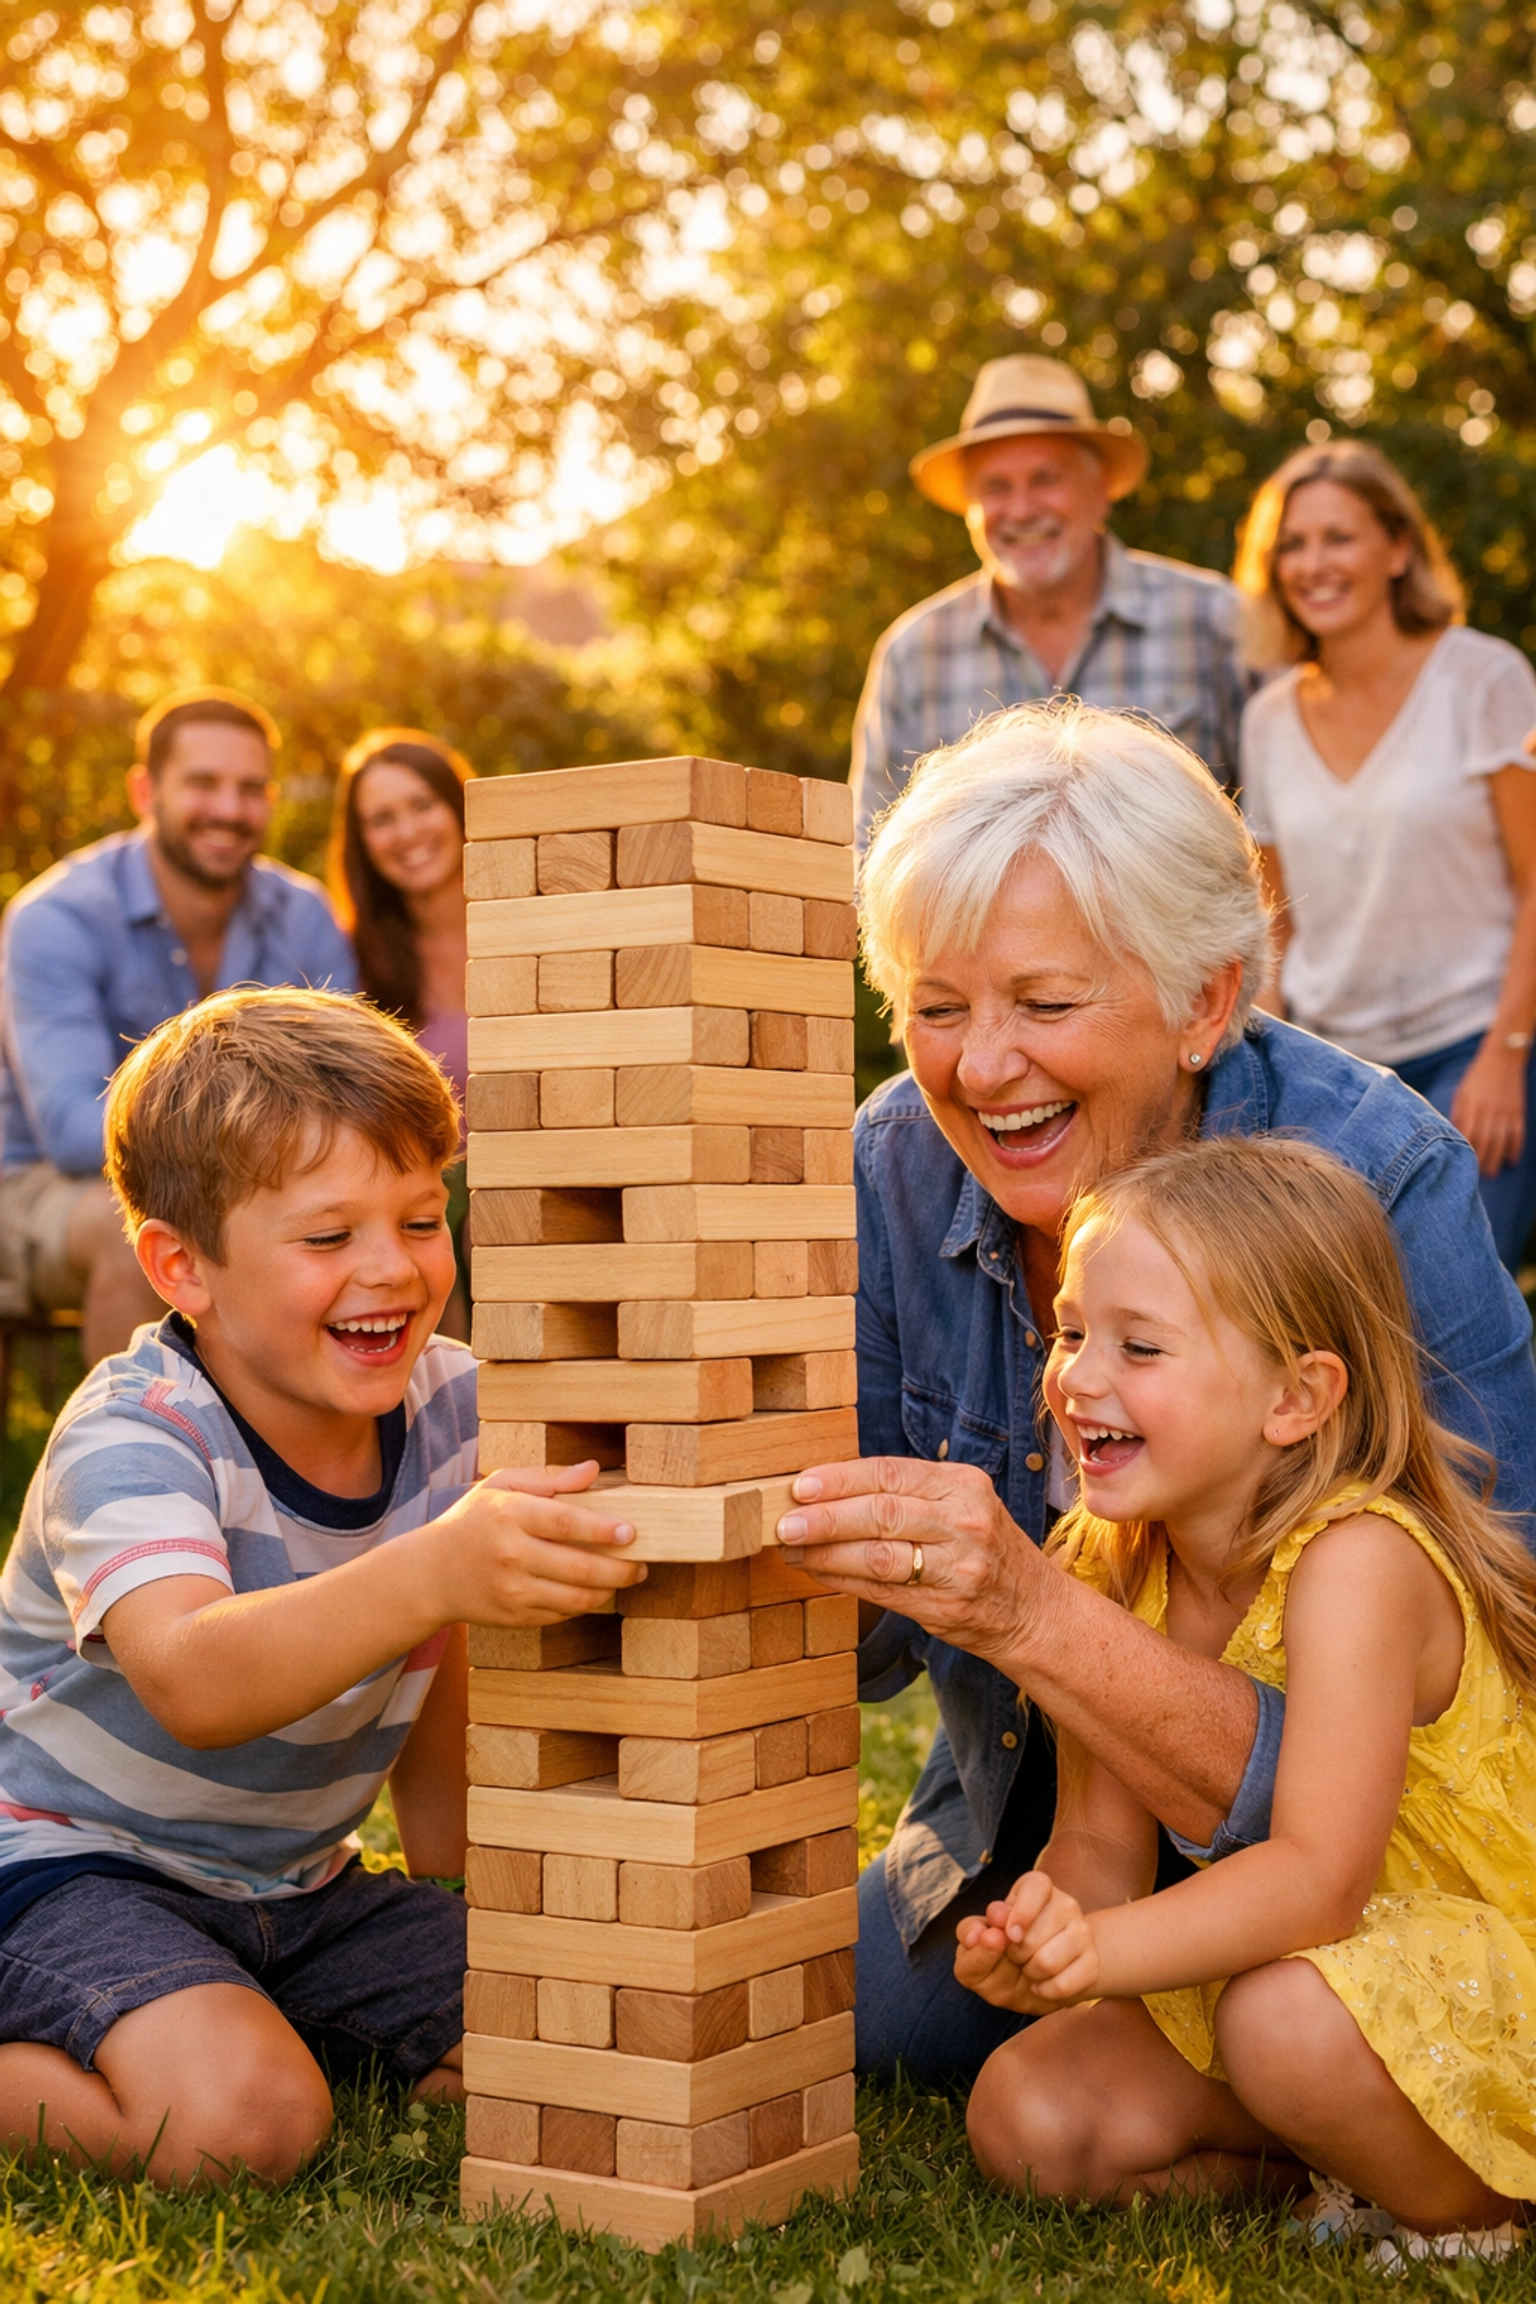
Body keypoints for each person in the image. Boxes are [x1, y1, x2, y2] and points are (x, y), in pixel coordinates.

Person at [768, 699, 1536, 2087]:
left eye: (1045, 1005)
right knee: (871, 2043)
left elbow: (1507, 1639)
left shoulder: (1382, 1176)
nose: (981, 1067)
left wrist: (1030, 1603)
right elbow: (858, 1651)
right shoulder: (896, 1160)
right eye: (937, 1009)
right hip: (1052, 1818)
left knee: (1290, 2022)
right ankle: (1239, 2108)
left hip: (1398, 1852)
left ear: (1206, 1003)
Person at [0, 989, 642, 2186]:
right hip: (64, 1869)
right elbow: (194, 1675)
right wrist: (440, 1564)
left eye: (420, 1219)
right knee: (244, 2124)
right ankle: (196, 2042)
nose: (391, 1269)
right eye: (328, 1236)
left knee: (571, 2031)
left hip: (299, 1891)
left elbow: (442, 1656)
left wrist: (464, 1894)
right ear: (180, 1266)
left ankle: (235, 2010)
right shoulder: (135, 1435)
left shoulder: (454, 1408)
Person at [958, 1135, 1536, 2263]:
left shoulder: (1359, 1563)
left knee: (1278, 2023)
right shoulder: (1110, 1559)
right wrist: (1045, 1931)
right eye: (1072, 1331)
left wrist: (1105, 1957)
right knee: (1028, 2115)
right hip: (1291, 1983)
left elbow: (1321, 1882)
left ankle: (1483, 2213)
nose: (1076, 1375)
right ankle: (1341, 2161)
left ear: (1297, 1396)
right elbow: (1096, 1848)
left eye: (1140, 1347)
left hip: (1473, 1970)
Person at [1234, 443, 1536, 1275]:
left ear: (1398, 549)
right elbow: (1275, 925)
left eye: (1340, 537)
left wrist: (1505, 1059)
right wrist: (1268, 1082)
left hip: (1470, 1049)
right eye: (1292, 544)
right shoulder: (1267, 718)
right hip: (1333, 1069)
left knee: (1444, 1307)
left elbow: (1533, 878)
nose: (1313, 563)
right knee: (1332, 1313)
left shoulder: (1483, 677)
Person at [0, 689, 356, 1363]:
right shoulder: (58, 916)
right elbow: (78, 1135)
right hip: (46, 1190)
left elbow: (351, 1097)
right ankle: (129, 1459)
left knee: (401, 1217)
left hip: (257, 1176)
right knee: (142, 1238)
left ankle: (421, 1457)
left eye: (250, 789)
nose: (228, 808)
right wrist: (256, 1135)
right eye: (203, 784)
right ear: (145, 791)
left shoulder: (305, 914)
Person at [849, 355, 1250, 848]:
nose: (1021, 509)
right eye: (996, 487)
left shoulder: (1214, 620)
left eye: (1045, 479)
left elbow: (1275, 833)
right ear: (970, 508)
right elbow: (869, 852)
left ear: (1099, 490)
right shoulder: (913, 654)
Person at [327, 727, 473, 1334]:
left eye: (421, 805)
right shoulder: (353, 960)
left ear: (460, 807)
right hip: (428, 1181)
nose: (408, 831)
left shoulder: (535, 921)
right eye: (382, 819)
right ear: (363, 844)